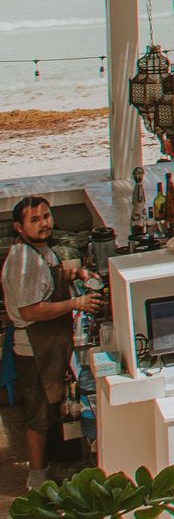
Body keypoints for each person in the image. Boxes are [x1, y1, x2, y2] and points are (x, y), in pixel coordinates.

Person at [2, 196, 95, 473]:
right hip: (34, 350)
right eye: (34, 220)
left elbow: (48, 280)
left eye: (46, 216)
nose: (43, 223)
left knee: (50, 412)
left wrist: (76, 273)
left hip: (48, 345)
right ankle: (37, 478)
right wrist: (76, 303)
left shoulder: (42, 249)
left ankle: (53, 466)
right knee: (39, 418)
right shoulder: (23, 259)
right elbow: (30, 310)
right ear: (19, 227)